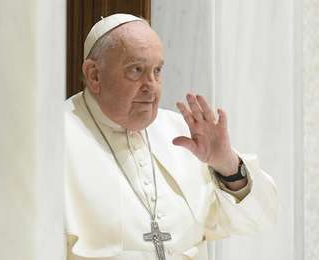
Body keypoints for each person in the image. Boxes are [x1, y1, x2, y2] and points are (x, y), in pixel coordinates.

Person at [65, 13, 278, 260]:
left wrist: (227, 165)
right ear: (94, 75)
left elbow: (260, 218)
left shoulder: (182, 133)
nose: (151, 85)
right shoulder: (55, 139)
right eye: (136, 70)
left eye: (157, 70)